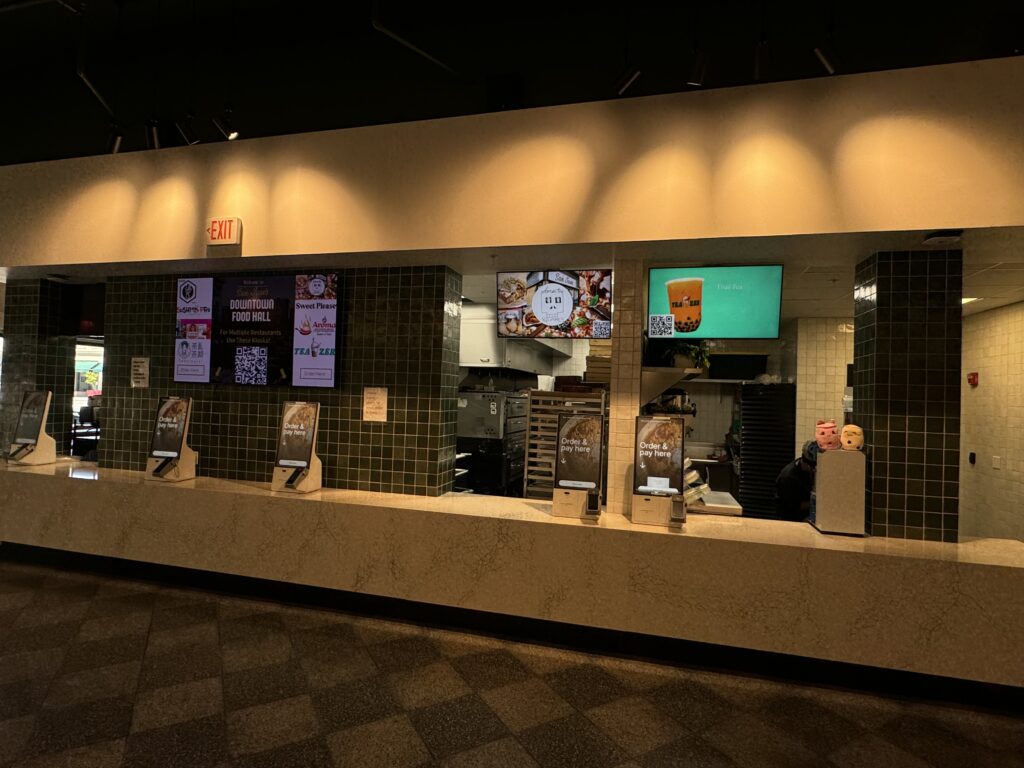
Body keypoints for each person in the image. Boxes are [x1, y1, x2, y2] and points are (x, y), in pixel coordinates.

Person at [775, 440, 817, 521]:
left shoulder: (806, 469)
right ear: (808, 464)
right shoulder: (788, 477)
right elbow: (794, 506)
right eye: (813, 467)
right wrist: (818, 504)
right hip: (789, 518)